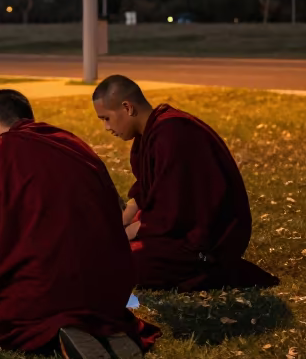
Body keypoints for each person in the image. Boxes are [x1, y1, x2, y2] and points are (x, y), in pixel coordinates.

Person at [0, 89, 158, 359]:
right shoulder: (72, 143)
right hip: (106, 288)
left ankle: (60, 326)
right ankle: (101, 324)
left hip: (46, 290)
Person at [92, 75, 279, 291]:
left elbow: (174, 214)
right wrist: (116, 227)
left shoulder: (173, 132)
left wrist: (121, 237)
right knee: (109, 253)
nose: (106, 127)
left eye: (106, 118)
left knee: (119, 263)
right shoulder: (149, 135)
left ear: (127, 107)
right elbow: (144, 194)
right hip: (173, 230)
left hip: (202, 240)